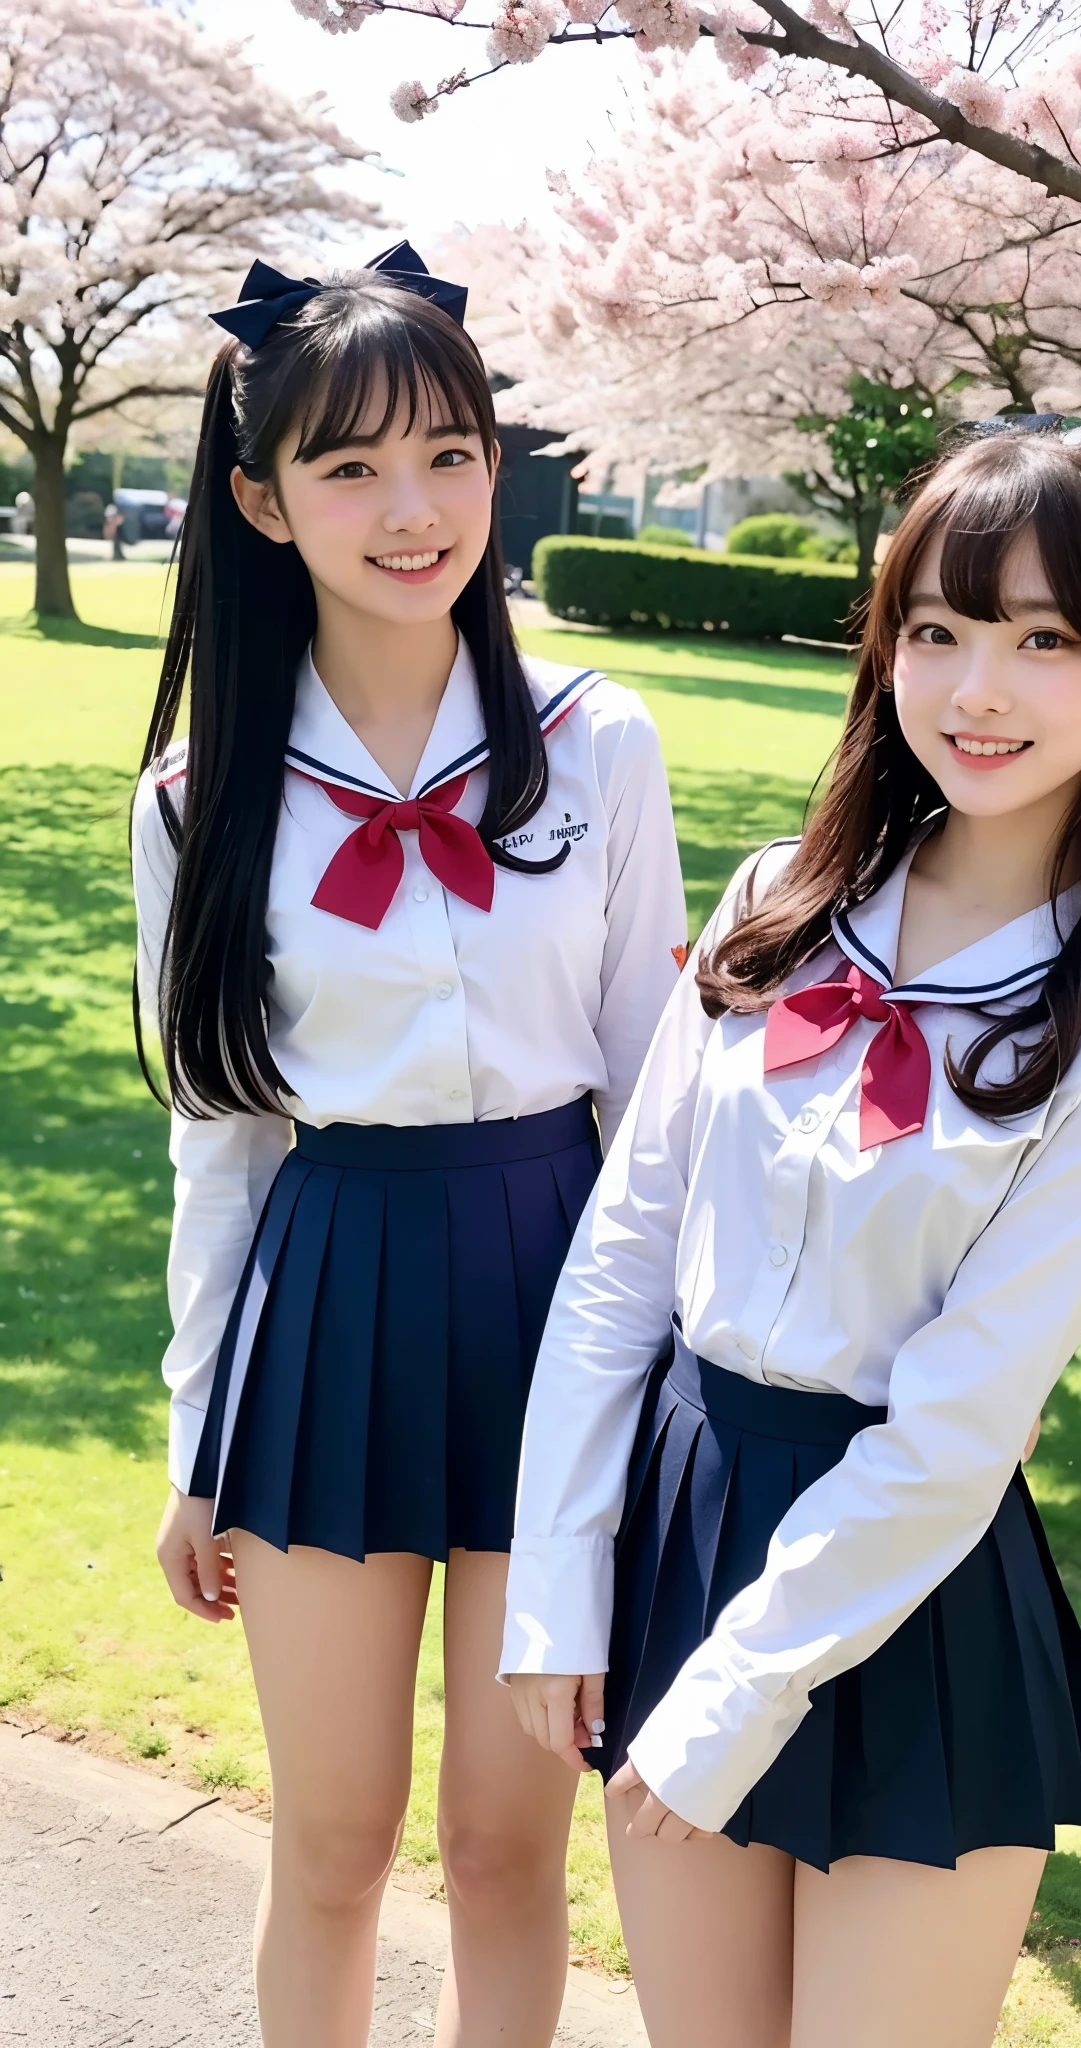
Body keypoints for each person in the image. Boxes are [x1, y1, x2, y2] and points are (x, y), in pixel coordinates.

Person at [502, 421, 1081, 2048]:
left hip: (907, 1578)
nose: (980, 688)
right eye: (941, 630)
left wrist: (742, 1692)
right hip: (685, 1528)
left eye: (1046, 639)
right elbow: (624, 1260)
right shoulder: (782, 897)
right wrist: (554, 1586)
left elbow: (963, 1417)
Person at [131, 242, 686, 2048]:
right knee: (335, 1840)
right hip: (329, 1297)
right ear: (261, 499)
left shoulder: (602, 750)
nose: (412, 506)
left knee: (512, 1841)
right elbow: (218, 1147)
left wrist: (650, 1403)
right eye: (351, 466)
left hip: (558, 1294)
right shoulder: (198, 800)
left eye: (448, 452)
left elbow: (651, 1104)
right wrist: (193, 1437)